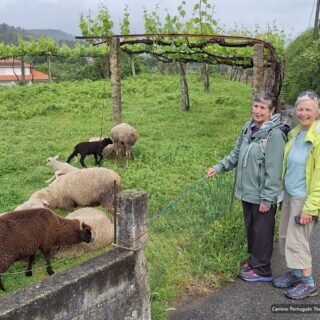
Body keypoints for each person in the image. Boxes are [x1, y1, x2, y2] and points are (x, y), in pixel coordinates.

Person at [207, 91, 287, 282]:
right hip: (247, 191)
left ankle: (263, 270)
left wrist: (268, 198)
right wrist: (218, 167)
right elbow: (236, 154)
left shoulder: (275, 135)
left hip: (262, 194)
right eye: (255, 106)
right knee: (251, 228)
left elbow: (275, 170)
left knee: (263, 231)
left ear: (271, 111)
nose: (257, 111)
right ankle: (253, 261)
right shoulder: (248, 128)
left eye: (262, 108)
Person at [273, 91, 320, 299]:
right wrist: (284, 194)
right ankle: (295, 273)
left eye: (308, 109)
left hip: (305, 199)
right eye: (300, 109)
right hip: (291, 194)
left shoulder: (318, 138)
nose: (303, 113)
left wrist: (310, 208)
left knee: (298, 241)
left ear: (317, 112)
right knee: (285, 236)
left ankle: (309, 283)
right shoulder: (297, 133)